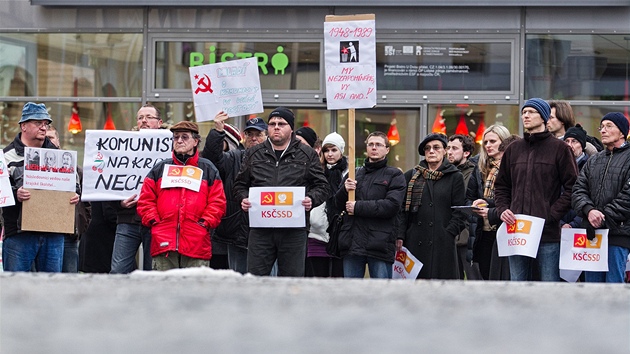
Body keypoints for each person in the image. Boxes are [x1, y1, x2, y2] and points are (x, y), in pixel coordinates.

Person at [234, 106, 330, 277]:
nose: (276, 127)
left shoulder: (306, 154)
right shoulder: (253, 153)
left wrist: (311, 199)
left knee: (291, 280)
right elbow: (239, 185)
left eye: (281, 123)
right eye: (272, 124)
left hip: (293, 231)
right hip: (260, 230)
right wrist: (243, 198)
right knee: (255, 279)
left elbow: (322, 186)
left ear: (291, 128)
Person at [494, 98, 578, 282]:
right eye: (524, 112)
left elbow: (574, 187)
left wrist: (552, 214)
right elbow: (501, 186)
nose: (526, 115)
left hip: (547, 233)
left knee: (549, 288)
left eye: (531, 112)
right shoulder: (513, 149)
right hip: (517, 231)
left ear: (544, 117)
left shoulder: (560, 149)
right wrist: (502, 209)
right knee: (518, 286)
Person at [2, 102, 80, 272]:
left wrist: (75, 195)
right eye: (38, 123)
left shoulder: (61, 157)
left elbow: (75, 186)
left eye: (46, 124)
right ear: (23, 126)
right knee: (16, 289)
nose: (43, 128)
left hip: (53, 233)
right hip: (19, 235)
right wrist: (16, 194)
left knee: (51, 289)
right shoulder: (6, 157)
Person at [137, 121, 226, 270]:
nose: (179, 141)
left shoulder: (208, 169)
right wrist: (155, 222)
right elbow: (146, 200)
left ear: (195, 141)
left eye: (184, 137)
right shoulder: (160, 168)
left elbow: (218, 202)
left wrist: (204, 224)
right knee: (164, 289)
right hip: (163, 241)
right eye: (176, 137)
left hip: (196, 242)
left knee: (194, 290)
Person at [201, 111, 268, 274]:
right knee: (239, 281)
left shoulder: (276, 161)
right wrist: (217, 131)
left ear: (267, 136)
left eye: (258, 134)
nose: (254, 138)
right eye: (250, 134)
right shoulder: (234, 158)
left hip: (267, 233)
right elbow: (212, 160)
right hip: (237, 233)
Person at [334, 131, 405, 279]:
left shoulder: (395, 175)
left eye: (378, 145)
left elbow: (391, 206)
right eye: (371, 144)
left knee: (381, 294)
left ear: (387, 149)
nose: (374, 148)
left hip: (379, 244)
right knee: (352, 293)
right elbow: (337, 204)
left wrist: (358, 207)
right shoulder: (354, 174)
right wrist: (344, 190)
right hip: (353, 243)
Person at [397, 133, 467, 279]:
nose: (431, 151)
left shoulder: (455, 176)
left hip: (442, 242)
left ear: (445, 150)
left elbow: (460, 211)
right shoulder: (411, 176)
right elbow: (402, 210)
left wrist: (449, 233)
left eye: (436, 147)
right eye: (427, 148)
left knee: (441, 287)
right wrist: (401, 235)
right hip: (415, 240)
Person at [572, 112, 630, 283]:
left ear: (622, 132)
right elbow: (578, 190)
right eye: (601, 127)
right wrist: (589, 211)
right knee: (592, 288)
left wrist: (602, 217)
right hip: (593, 234)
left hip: (618, 234)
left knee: (613, 286)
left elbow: (627, 198)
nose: (603, 130)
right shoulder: (594, 160)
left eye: (609, 126)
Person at [110, 103, 165, 274]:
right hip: (128, 218)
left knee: (153, 271)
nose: (144, 121)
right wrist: (120, 204)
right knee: (118, 270)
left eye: (149, 117)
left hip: (156, 220)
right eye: (140, 118)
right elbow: (109, 181)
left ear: (159, 122)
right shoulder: (123, 147)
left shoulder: (170, 148)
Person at [466, 125, 513, 280]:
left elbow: (513, 198)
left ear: (504, 141)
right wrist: (474, 205)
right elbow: (469, 196)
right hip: (482, 231)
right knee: (486, 277)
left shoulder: (513, 166)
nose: (488, 145)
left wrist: (488, 204)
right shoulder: (479, 167)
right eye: (485, 142)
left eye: (492, 141)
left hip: (507, 229)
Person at [45, 125, 90, 273]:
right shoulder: (30, 168)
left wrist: (81, 225)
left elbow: (87, 201)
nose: (48, 142)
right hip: (40, 233)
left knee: (69, 280)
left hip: (68, 236)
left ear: (58, 140)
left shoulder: (76, 170)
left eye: (51, 138)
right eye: (44, 138)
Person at [306, 132, 346, 278]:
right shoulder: (315, 171)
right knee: (316, 278)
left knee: (338, 279)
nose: (329, 154)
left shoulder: (349, 174)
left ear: (341, 151)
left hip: (339, 235)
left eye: (334, 150)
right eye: (326, 150)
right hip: (316, 234)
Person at [446, 134, 476, 279]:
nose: (449, 152)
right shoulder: (445, 172)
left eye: (454, 148)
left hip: (466, 236)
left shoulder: (472, 173)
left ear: (466, 153)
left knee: (474, 279)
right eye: (448, 148)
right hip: (450, 235)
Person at [560, 124, 590, 230]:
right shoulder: (557, 166)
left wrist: (574, 224)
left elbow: (592, 199)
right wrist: (560, 223)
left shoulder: (590, 167)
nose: (569, 145)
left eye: (574, 141)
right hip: (558, 227)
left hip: (581, 227)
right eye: (566, 141)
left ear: (582, 145)